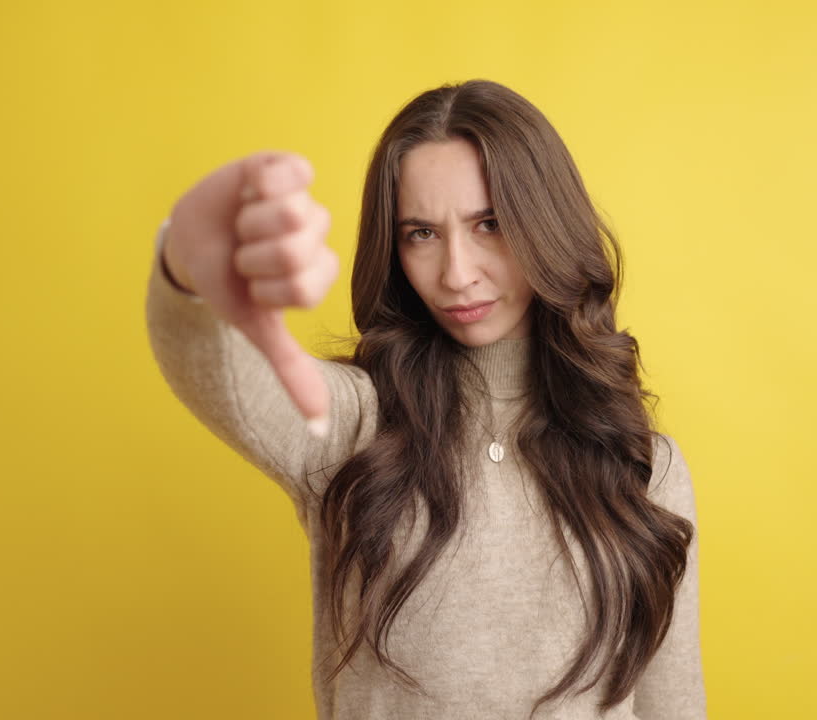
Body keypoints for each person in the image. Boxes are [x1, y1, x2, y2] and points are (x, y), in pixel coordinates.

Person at [145, 79, 706, 720]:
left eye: (488, 224)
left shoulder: (646, 466)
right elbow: (215, 370)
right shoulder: (355, 426)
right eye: (421, 234)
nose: (456, 273)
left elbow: (673, 703)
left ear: (545, 224)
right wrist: (187, 264)